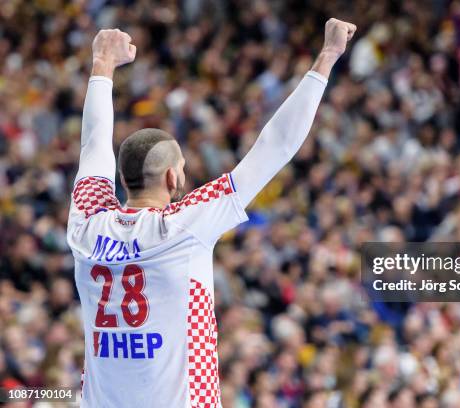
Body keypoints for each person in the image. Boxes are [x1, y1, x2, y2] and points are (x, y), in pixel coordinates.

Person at [67, 19, 356, 408]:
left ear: (123, 176)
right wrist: (327, 57)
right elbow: (275, 147)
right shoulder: (185, 224)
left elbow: (94, 146)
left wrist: (102, 63)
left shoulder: (86, 223)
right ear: (173, 176)